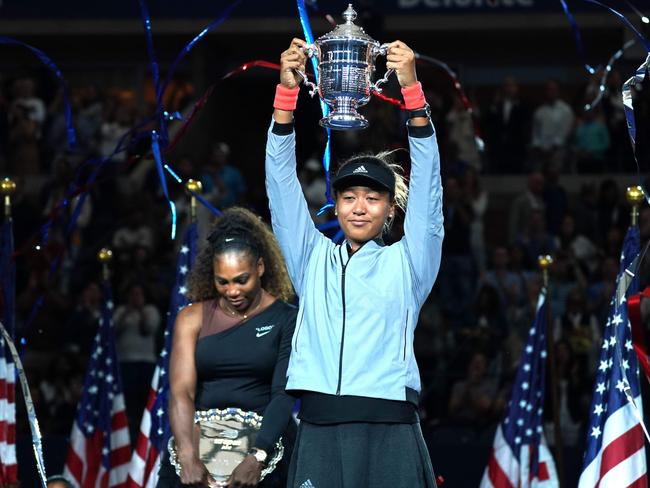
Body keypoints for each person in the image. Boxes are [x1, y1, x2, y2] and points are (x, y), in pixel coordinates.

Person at [266, 38, 441, 488]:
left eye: (372, 198)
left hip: (390, 430)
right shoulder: (311, 259)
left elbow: (428, 193)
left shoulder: (410, 262)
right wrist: (286, 97)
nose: (359, 207)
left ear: (389, 210)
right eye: (348, 197)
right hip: (321, 427)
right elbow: (281, 186)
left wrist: (413, 94)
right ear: (336, 205)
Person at [159, 207, 297, 488]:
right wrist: (187, 456)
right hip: (198, 448)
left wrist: (257, 456)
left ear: (260, 267)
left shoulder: (287, 317)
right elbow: (181, 391)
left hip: (267, 448)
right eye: (223, 282)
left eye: (241, 280)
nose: (232, 291)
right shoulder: (191, 318)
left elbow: (282, 394)